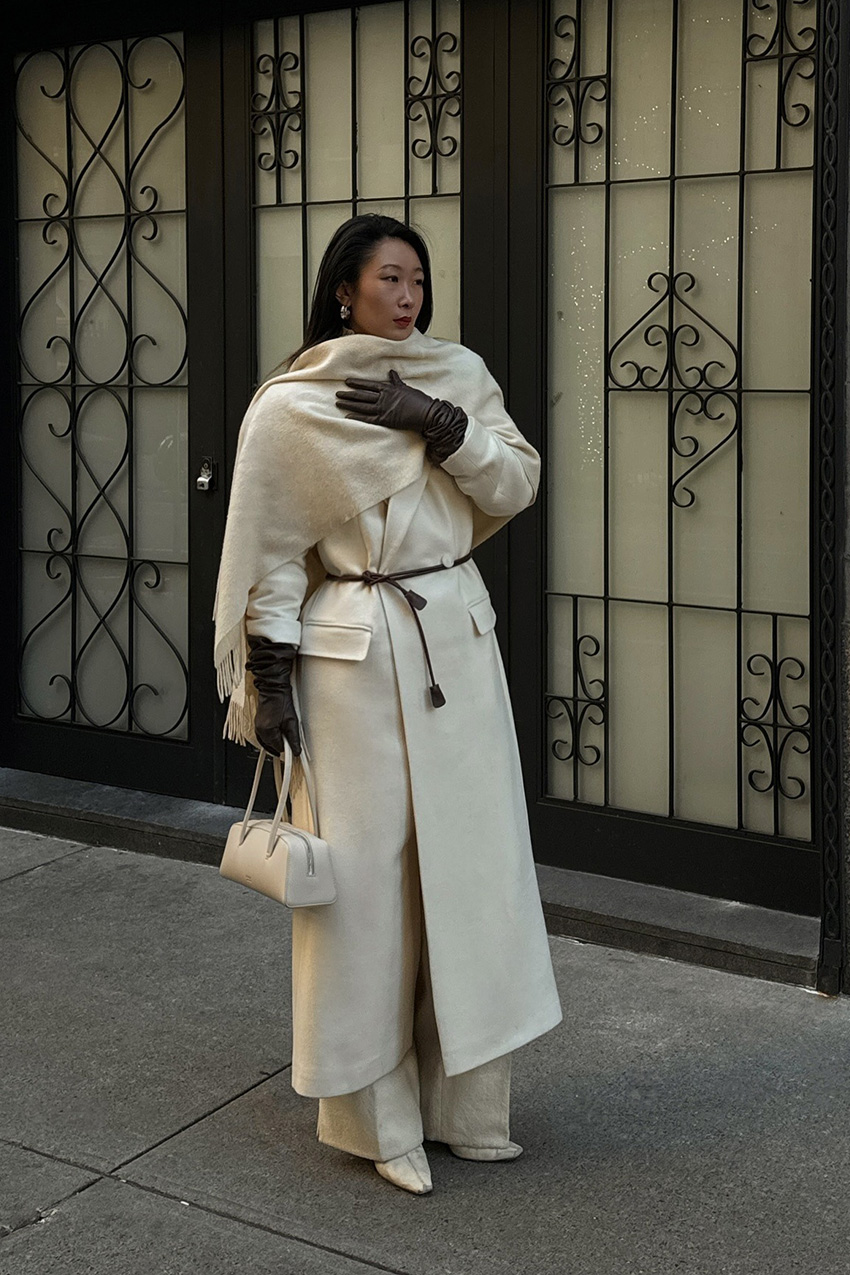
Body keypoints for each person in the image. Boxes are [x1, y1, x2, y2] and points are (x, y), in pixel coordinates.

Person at [213, 213, 562, 1195]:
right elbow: (275, 551)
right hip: (347, 657)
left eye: (418, 280)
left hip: (453, 635)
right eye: (390, 280)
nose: (408, 297)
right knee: (364, 892)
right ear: (344, 290)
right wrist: (268, 677)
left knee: (469, 875)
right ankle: (375, 1118)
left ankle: (466, 1104)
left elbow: (518, 480)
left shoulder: (457, 374)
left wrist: (441, 425)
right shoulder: (294, 405)